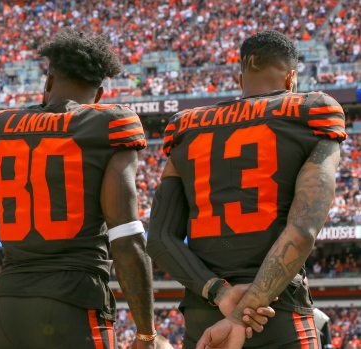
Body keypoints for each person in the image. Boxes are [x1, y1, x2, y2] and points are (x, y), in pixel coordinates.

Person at [147, 30, 345, 349]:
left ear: (241, 79)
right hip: (276, 311)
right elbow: (304, 228)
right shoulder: (310, 113)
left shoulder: (184, 127)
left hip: (205, 316)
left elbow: (159, 238)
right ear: (291, 78)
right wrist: (244, 313)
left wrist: (220, 292)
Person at [0, 28, 156, 349]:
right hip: (77, 302)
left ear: (48, 82)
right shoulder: (110, 124)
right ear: (99, 96)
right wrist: (146, 332)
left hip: (11, 304)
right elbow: (126, 239)